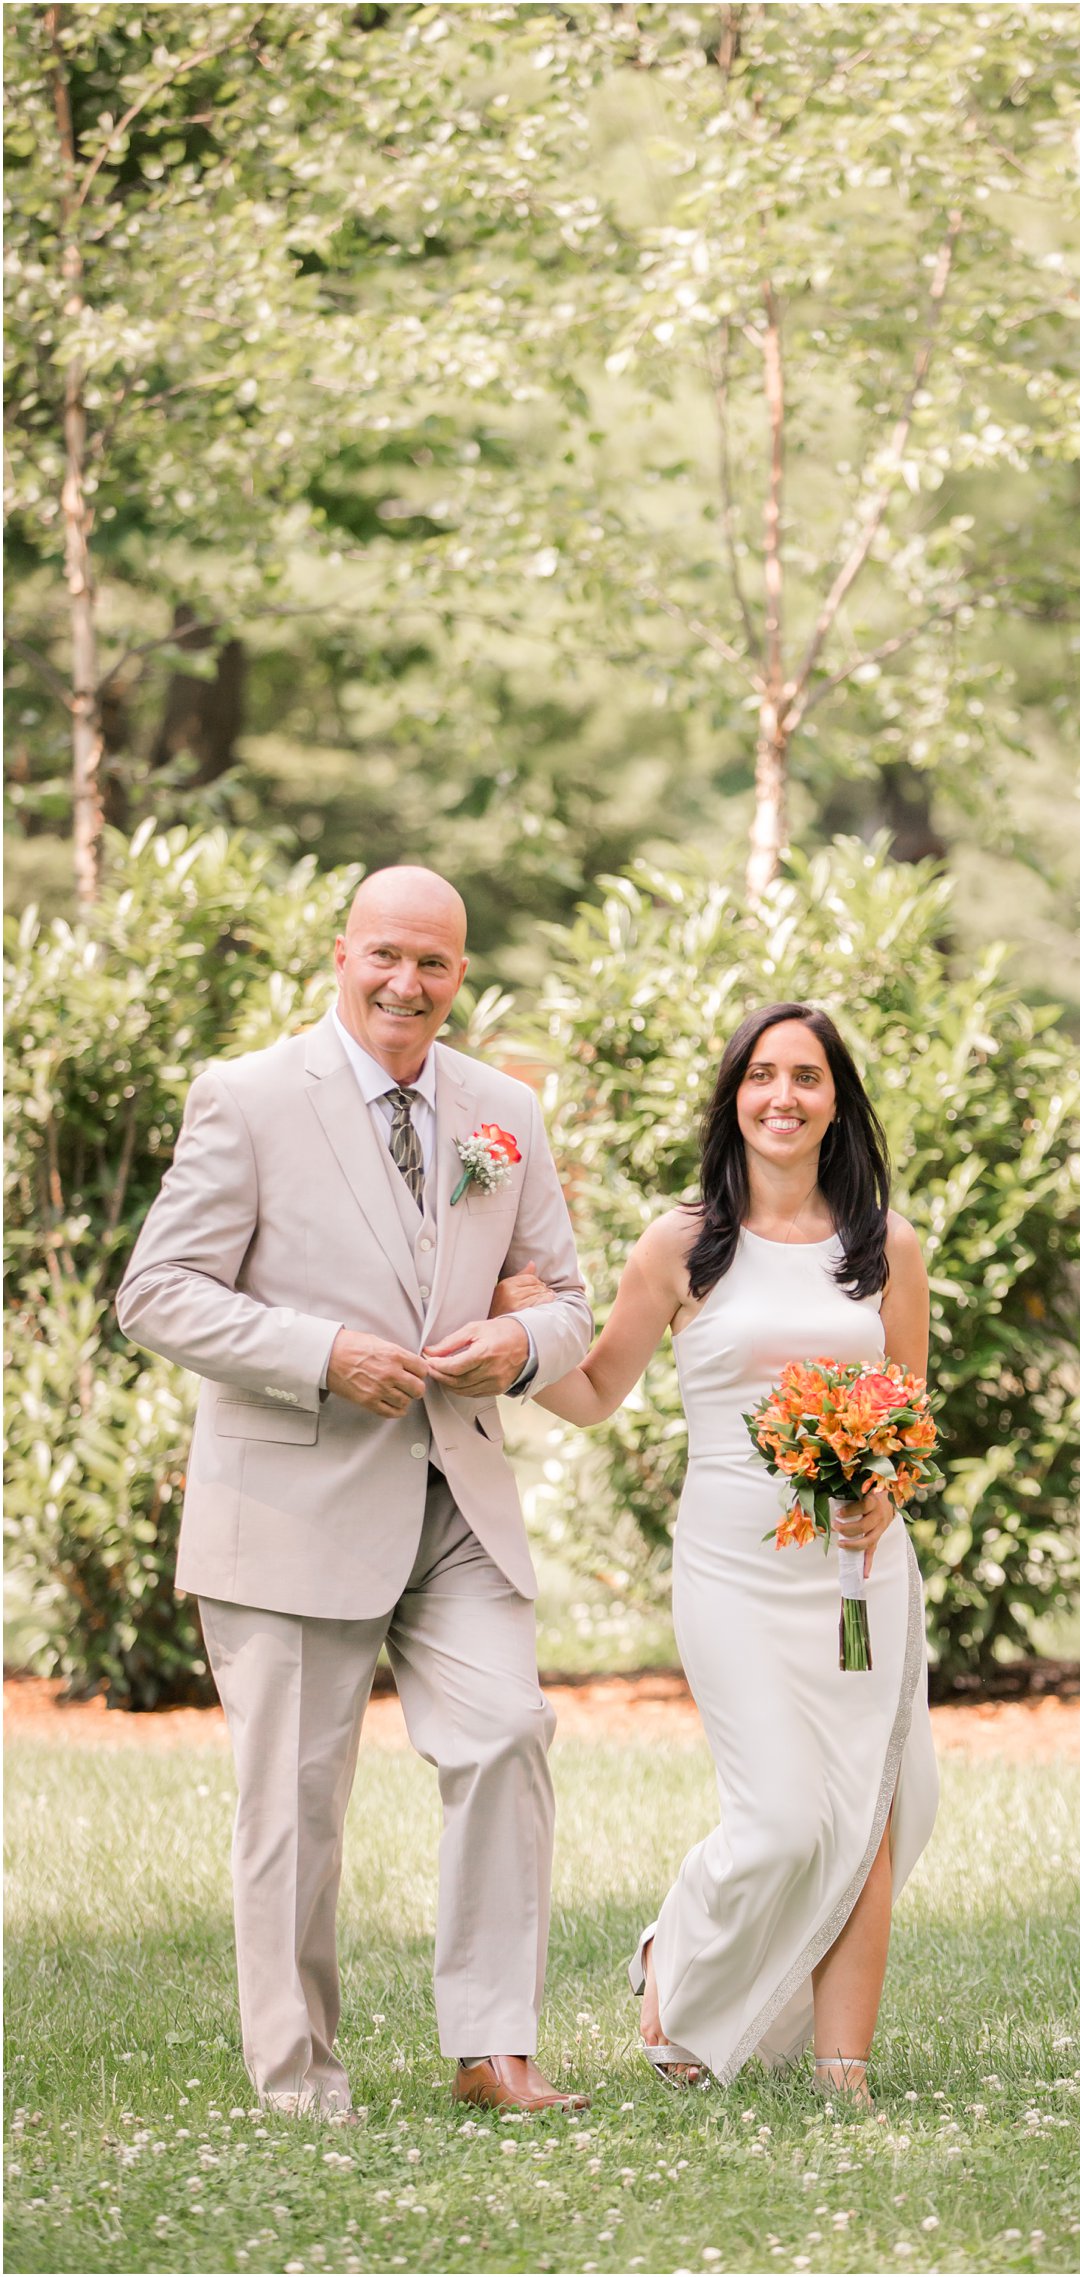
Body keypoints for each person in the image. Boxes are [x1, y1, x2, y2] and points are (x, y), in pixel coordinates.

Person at [117, 866, 594, 2120]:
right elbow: (158, 1291)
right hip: (289, 1498)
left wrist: (521, 1347)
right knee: (294, 1804)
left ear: (461, 975)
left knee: (504, 1734)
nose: (407, 983)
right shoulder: (249, 1097)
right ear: (341, 956)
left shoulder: (503, 1113)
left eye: (435, 963)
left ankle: (493, 2049)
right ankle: (300, 2085)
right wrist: (319, 1355)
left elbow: (565, 1298)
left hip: (456, 1494)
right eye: (387, 954)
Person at [505, 1001, 939, 2103]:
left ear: (836, 1099)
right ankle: (673, 1953)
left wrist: (879, 1499)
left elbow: (907, 1420)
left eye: (805, 1076)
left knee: (874, 1810)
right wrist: (514, 1342)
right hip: (732, 1571)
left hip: (858, 1577)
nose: (781, 1097)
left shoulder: (885, 1247)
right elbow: (597, 1390)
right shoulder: (679, 1244)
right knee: (784, 1817)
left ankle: (841, 2072)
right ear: (732, 1097)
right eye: (760, 1076)